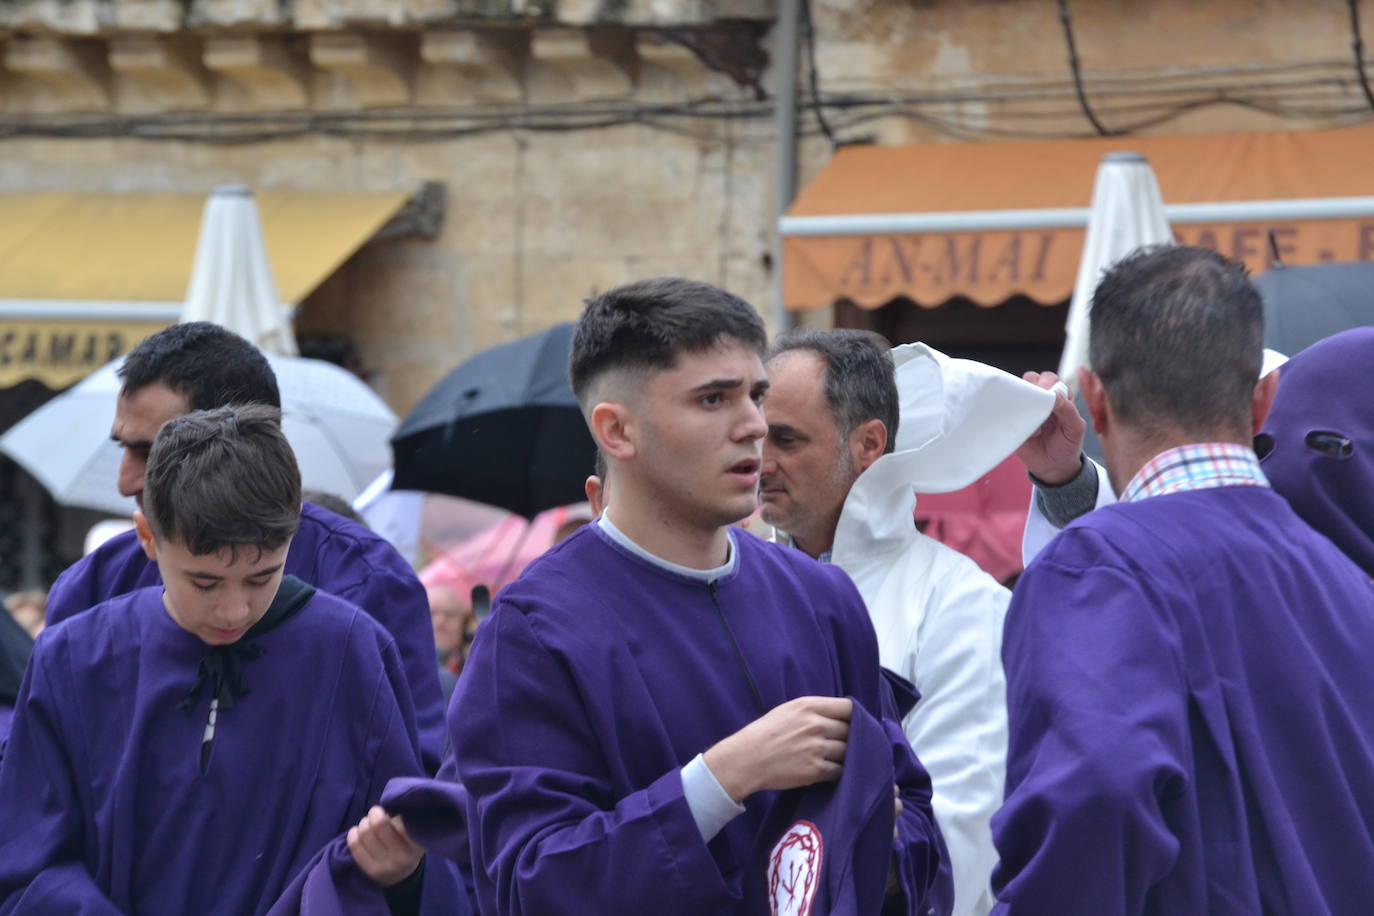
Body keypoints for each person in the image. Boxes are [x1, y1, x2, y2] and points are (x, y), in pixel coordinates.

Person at [447, 278, 951, 915]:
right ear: (617, 431)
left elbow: (917, 828)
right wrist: (722, 778)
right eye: (713, 399)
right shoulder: (532, 633)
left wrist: (875, 835)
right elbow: (530, 885)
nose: (753, 427)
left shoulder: (822, 598)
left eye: (756, 395)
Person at [991, 246, 1374, 914]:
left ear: (1098, 402)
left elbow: (1094, 795)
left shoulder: (1094, 568)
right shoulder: (1349, 586)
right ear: (1263, 401)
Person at [0, 405, 431, 913]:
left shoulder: (353, 652)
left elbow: (412, 855)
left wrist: (403, 873)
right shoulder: (75, 657)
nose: (234, 610)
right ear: (147, 539)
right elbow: (24, 857)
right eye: (204, 582)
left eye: (261, 577)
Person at [43, 322, 447, 773]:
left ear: (235, 444)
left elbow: (408, 782)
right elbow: (44, 781)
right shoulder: (93, 586)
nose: (124, 481)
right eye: (203, 581)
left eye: (151, 452)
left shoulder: (366, 581)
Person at [761, 330, 1019, 916]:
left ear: (868, 445)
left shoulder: (960, 603)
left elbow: (960, 840)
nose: (760, 460)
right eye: (755, 434)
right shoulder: (734, 587)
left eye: (787, 439)